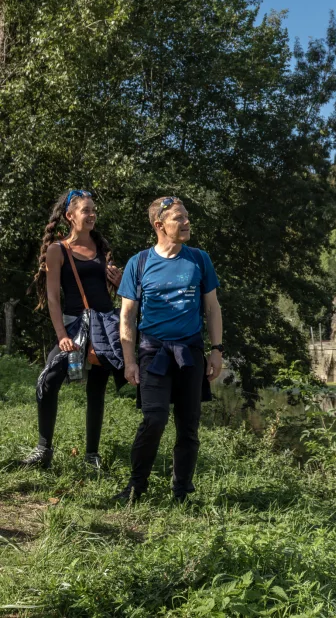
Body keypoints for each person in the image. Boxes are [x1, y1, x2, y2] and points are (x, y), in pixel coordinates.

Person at [114, 196, 222, 503]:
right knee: (155, 418)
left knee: (188, 426)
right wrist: (129, 361)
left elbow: (212, 309)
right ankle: (136, 486)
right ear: (160, 225)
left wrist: (216, 350)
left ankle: (181, 493)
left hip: (189, 352)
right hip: (153, 353)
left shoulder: (199, 259)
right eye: (179, 218)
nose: (187, 222)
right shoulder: (140, 262)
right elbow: (127, 316)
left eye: (187, 216)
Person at [22, 190, 124, 470]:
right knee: (47, 380)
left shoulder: (101, 247)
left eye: (93, 210)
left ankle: (92, 456)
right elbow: (53, 297)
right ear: (70, 216)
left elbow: (114, 291)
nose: (91, 215)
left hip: (104, 328)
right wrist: (62, 336)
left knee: (97, 390)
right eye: (85, 211)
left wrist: (120, 281)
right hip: (75, 327)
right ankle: (44, 450)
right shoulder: (58, 250)